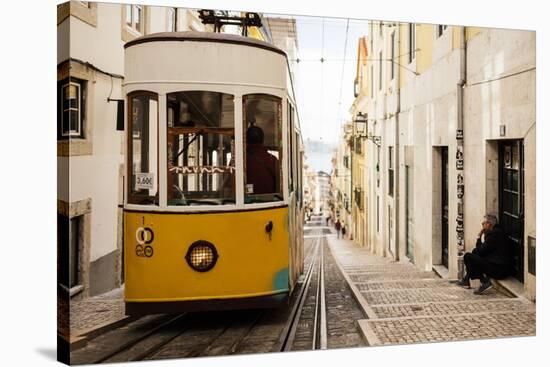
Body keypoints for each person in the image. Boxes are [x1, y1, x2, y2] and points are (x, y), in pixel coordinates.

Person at [456, 214, 514, 295]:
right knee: (474, 253)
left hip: (500, 270)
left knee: (468, 256)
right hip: (500, 266)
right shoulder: (496, 231)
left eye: (483, 223)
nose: (482, 225)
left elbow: (481, 251)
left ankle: (484, 282)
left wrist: (479, 237)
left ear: (489, 224)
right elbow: (481, 250)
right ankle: (466, 280)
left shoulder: (494, 234)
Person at [245, 125, 279, 195]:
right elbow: (280, 184)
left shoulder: (239, 160)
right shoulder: (272, 160)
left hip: (245, 202)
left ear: (246, 140)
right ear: (263, 140)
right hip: (269, 202)